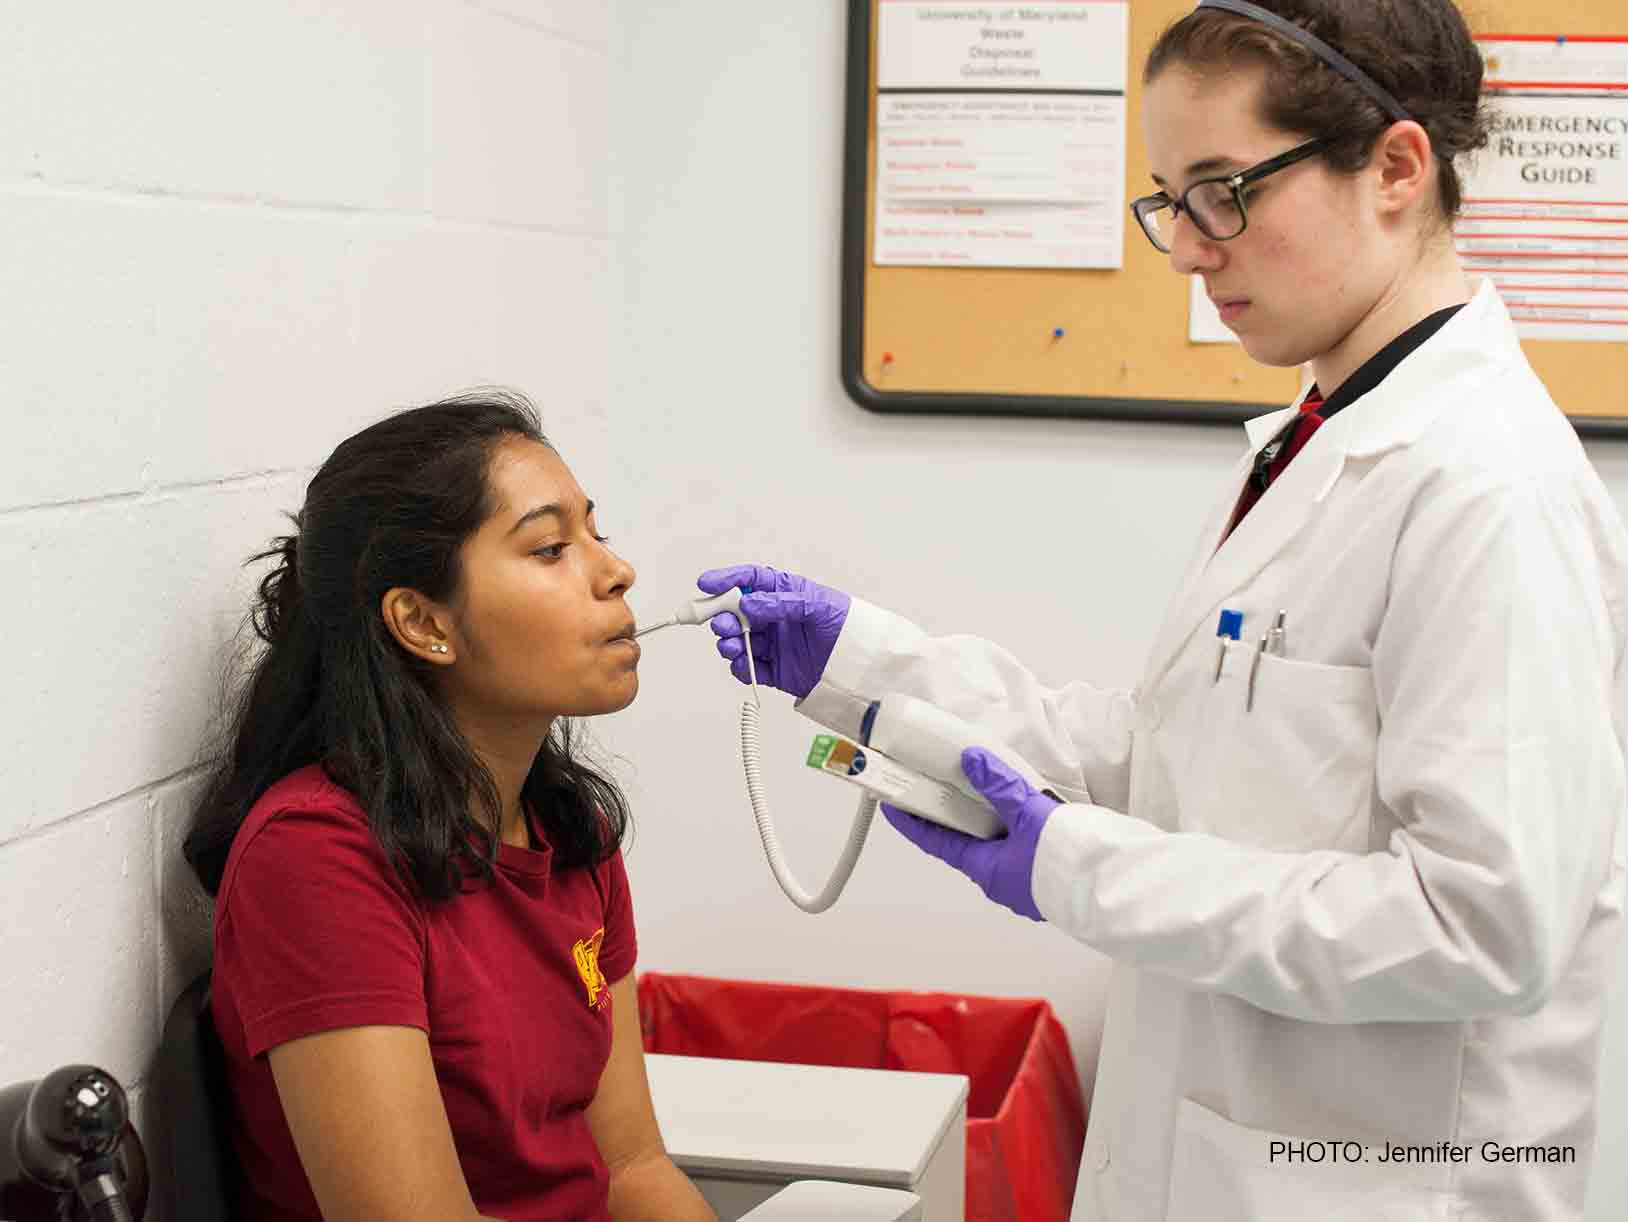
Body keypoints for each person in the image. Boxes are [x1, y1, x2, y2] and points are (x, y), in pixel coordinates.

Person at [698, 2, 1628, 1219]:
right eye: (1166, 200)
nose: (1187, 250)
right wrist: (871, 670)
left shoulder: (1483, 485)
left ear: (1395, 167)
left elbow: (1478, 922)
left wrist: (1077, 868)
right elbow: (1185, 757)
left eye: (1222, 190)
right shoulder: (1319, 441)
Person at [183, 393, 714, 1222]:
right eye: (549, 548)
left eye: (594, 534)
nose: (615, 571)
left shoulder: (573, 830)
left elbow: (635, 1167)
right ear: (424, 623)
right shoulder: (317, 856)